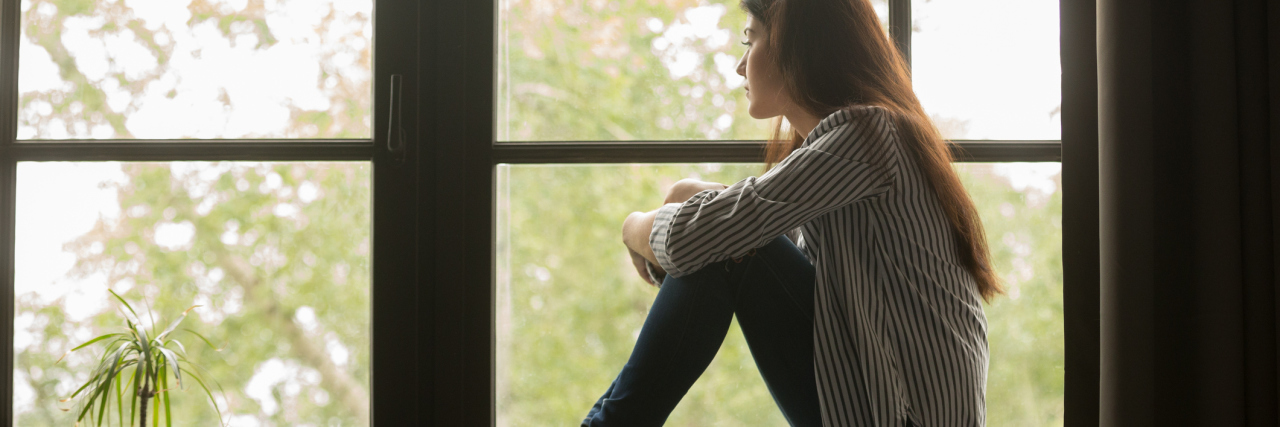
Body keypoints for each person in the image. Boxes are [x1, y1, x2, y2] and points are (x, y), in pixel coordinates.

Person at [582, 0, 1001, 425]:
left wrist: (632, 227)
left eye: (751, 40)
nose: (740, 66)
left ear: (795, 45)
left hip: (902, 416)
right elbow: (731, 247)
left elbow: (706, 240)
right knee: (727, 237)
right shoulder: (845, 151)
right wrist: (687, 196)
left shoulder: (869, 135)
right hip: (873, 402)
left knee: (729, 242)